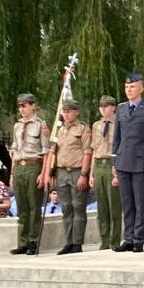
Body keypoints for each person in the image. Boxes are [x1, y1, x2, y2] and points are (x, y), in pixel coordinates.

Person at [112, 71, 144, 253]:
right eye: (126, 87)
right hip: (123, 161)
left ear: (141, 88)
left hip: (140, 164)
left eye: (132, 86)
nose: (129, 90)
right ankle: (128, 238)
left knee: (140, 203)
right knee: (127, 203)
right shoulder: (121, 108)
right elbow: (117, 137)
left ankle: (138, 240)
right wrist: (114, 162)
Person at [48, 100, 92, 255]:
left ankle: (77, 242)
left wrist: (84, 174)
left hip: (77, 171)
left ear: (76, 112)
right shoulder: (59, 130)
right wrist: (50, 173)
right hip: (62, 172)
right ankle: (68, 242)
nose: (66, 114)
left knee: (78, 206)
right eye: (64, 111)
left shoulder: (83, 129)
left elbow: (87, 152)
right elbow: (53, 152)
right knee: (66, 207)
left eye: (69, 111)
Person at [9, 93, 50, 255]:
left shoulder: (40, 125)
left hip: (34, 166)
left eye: (25, 105)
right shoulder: (17, 125)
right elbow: (14, 150)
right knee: (22, 206)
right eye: (20, 106)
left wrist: (44, 173)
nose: (22, 109)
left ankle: (33, 241)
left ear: (33, 106)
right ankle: (23, 242)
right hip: (19, 166)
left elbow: (46, 151)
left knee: (34, 206)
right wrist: (12, 174)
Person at [90, 95, 122, 250]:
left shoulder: (119, 124)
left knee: (114, 205)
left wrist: (118, 172)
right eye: (101, 106)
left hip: (112, 165)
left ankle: (114, 240)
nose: (103, 109)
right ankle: (104, 240)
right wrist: (91, 173)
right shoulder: (96, 125)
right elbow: (94, 150)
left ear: (113, 107)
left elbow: (121, 149)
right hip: (98, 165)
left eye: (106, 106)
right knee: (101, 206)